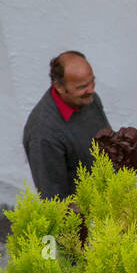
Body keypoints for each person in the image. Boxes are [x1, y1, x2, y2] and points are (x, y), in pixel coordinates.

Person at [23, 51, 111, 199]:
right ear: (59, 87)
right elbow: (54, 198)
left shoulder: (88, 99)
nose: (91, 90)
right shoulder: (42, 133)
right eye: (82, 87)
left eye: (92, 81)